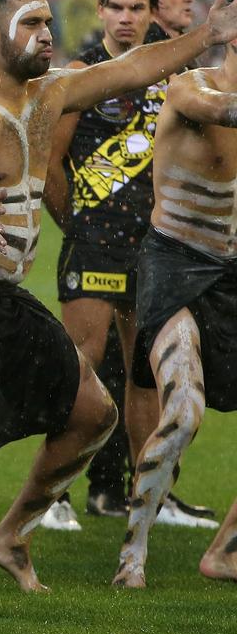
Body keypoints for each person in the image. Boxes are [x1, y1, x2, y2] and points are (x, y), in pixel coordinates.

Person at [0, 0, 237, 597]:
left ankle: (9, 536)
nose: (47, 34)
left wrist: (208, 35)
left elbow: (135, 67)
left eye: (46, 22)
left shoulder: (48, 92)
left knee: (95, 414)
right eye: (31, 24)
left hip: (1, 295)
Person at [39, 0, 164, 532]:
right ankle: (54, 494)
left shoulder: (173, 72)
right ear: (103, 10)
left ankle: (146, 495)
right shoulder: (82, 75)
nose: (128, 18)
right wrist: (78, 224)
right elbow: (48, 164)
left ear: (151, 12)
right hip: (94, 246)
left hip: (156, 249)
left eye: (138, 8)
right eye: (119, 8)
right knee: (80, 363)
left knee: (146, 373)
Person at [113, 36, 237, 589]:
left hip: (230, 273)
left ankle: (226, 553)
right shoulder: (193, 86)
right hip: (175, 265)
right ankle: (132, 553)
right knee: (185, 411)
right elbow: (218, 110)